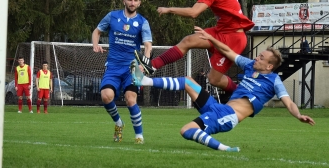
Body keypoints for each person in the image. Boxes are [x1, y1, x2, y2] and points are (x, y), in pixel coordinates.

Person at [131, 26, 315, 152]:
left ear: (269, 67)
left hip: (227, 115)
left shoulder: (274, 80)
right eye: (259, 55)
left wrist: (298, 115)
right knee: (188, 81)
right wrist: (211, 38)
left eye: (261, 58)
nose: (256, 58)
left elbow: (288, 102)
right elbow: (228, 51)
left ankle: (225, 149)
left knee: (186, 130)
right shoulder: (251, 66)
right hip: (216, 106)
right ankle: (144, 81)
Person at [135, 0, 255, 94]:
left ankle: (243, 93)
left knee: (214, 80)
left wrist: (169, 9)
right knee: (188, 40)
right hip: (222, 31)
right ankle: (152, 66)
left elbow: (194, 12)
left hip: (233, 38)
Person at [92, 0, 152, 144]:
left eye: (135, 0)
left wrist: (143, 64)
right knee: (106, 96)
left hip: (131, 68)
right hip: (113, 66)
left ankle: (139, 136)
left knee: (131, 100)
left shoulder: (143, 22)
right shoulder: (112, 16)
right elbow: (97, 31)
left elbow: (147, 46)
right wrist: (95, 45)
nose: (132, 3)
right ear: (124, 1)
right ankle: (119, 123)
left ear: (139, 3)